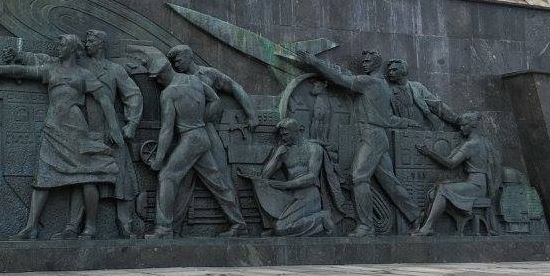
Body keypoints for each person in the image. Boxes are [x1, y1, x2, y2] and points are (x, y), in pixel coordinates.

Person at [0, 34, 122, 240]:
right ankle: (31, 226)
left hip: (76, 128)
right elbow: (23, 71)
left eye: (61, 45)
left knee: (87, 177)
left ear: (71, 49)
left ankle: (90, 227)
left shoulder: (83, 74)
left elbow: (104, 100)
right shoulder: (51, 69)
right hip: (53, 127)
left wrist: (114, 128)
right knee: (42, 177)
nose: (57, 48)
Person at [294, 49, 420, 237]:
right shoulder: (383, 85)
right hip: (376, 136)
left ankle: (366, 226)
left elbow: (338, 78)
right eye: (363, 61)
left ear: (377, 63)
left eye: (368, 61)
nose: (364, 64)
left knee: (359, 177)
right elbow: (387, 117)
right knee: (390, 184)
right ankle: (416, 216)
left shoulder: (368, 82)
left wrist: (314, 62)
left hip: (371, 136)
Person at [140, 47, 247, 239]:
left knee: (167, 176)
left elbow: (166, 129)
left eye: (157, 77)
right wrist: (203, 120)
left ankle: (164, 229)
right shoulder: (194, 81)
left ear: (165, 72)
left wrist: (159, 158)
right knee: (217, 182)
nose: (157, 81)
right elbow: (215, 100)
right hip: (201, 137)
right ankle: (239, 224)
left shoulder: (169, 93)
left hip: (190, 139)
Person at [64, 30, 142, 239]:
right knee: (82, 177)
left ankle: (125, 223)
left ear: (101, 44)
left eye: (90, 41)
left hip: (111, 130)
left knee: (121, 178)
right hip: (84, 127)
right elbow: (52, 63)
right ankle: (75, 225)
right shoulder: (79, 65)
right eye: (86, 40)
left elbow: (133, 95)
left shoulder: (115, 70)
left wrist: (131, 124)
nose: (86, 44)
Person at [251, 118, 347, 237]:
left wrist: (285, 185)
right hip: (291, 196)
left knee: (280, 228)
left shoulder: (314, 149)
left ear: (296, 131)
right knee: (280, 227)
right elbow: (264, 177)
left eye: (286, 135)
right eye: (281, 136)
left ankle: (321, 218)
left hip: (309, 195)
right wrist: (276, 156)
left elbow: (312, 177)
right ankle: (290, 227)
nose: (283, 138)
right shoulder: (284, 151)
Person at [412, 112, 502, 236]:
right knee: (436, 190)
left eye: (464, 125)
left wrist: (429, 153)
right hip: (481, 185)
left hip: (476, 186)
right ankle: (428, 224)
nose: (461, 128)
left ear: (473, 126)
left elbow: (450, 164)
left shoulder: (470, 145)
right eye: (461, 125)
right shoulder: (484, 142)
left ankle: (428, 227)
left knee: (442, 190)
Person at [386, 59, 458, 130]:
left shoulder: (418, 87)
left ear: (404, 71)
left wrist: (456, 120)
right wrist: (407, 122)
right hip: (404, 134)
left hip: (423, 131)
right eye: (389, 71)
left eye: (394, 70)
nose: (390, 73)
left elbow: (437, 105)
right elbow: (387, 117)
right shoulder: (389, 92)